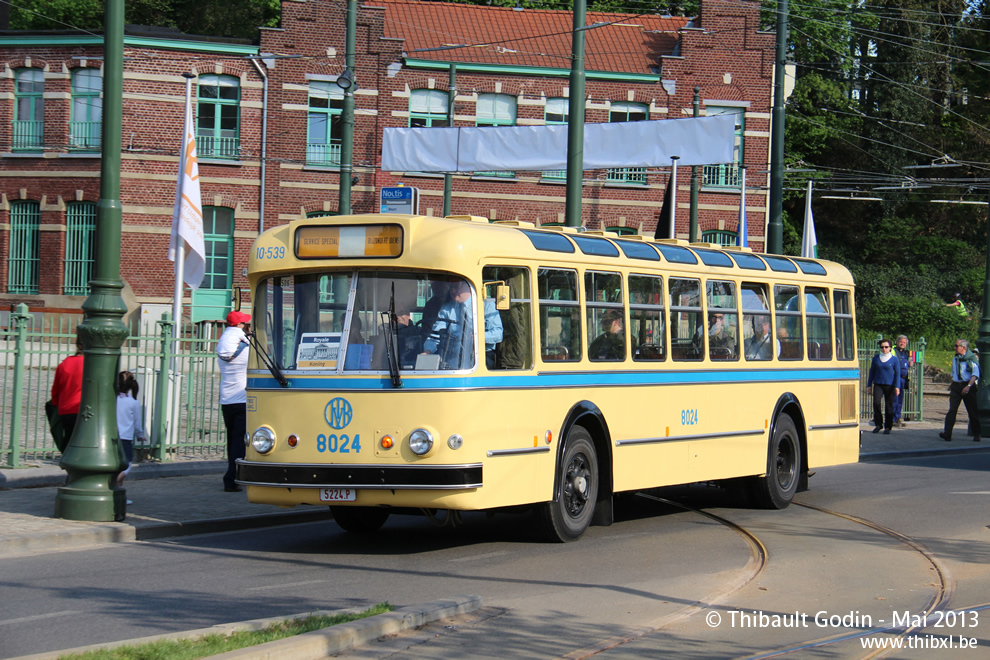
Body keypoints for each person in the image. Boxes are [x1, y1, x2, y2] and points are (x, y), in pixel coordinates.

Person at [423, 279, 503, 369]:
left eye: (457, 287)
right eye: (451, 287)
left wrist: (477, 337)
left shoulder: (486, 306)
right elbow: (435, 335)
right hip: (452, 359)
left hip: (481, 357)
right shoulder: (447, 309)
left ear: (469, 287)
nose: (453, 291)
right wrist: (428, 350)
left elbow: (498, 334)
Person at [217, 310, 251, 492]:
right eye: (245, 323)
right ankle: (232, 478)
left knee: (232, 440)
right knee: (241, 441)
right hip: (243, 399)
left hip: (226, 400)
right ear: (239, 325)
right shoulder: (245, 345)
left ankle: (232, 476)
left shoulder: (222, 343)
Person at [940, 338, 981, 443]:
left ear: (963, 347)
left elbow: (975, 374)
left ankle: (977, 433)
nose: (954, 348)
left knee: (972, 411)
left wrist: (968, 386)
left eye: (956, 346)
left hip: (968, 385)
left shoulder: (971, 358)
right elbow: (954, 372)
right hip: (956, 386)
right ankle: (947, 433)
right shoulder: (956, 358)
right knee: (952, 410)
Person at [51, 337, 85, 448]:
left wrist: (56, 404)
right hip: (83, 408)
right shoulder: (90, 364)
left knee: (69, 438)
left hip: (66, 409)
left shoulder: (64, 364)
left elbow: (55, 389)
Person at [115, 371, 146, 493]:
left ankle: (119, 491)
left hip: (111, 436)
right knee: (127, 464)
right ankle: (115, 480)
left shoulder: (113, 399)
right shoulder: (133, 402)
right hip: (125, 437)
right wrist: (140, 435)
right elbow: (137, 422)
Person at [866, 338, 900, 435]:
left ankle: (888, 426)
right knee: (876, 403)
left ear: (890, 348)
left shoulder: (894, 359)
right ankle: (878, 424)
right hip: (878, 384)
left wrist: (897, 386)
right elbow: (872, 371)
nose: (884, 349)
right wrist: (869, 385)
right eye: (882, 347)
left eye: (886, 347)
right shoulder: (876, 358)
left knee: (889, 406)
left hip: (890, 385)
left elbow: (897, 374)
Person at [892, 335, 914, 427]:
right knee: (894, 399)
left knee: (900, 399)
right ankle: (892, 419)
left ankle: (898, 417)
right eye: (901, 342)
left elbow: (909, 361)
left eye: (904, 343)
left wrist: (910, 363)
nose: (902, 344)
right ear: (897, 342)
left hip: (904, 378)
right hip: (896, 377)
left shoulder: (906, 353)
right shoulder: (893, 351)